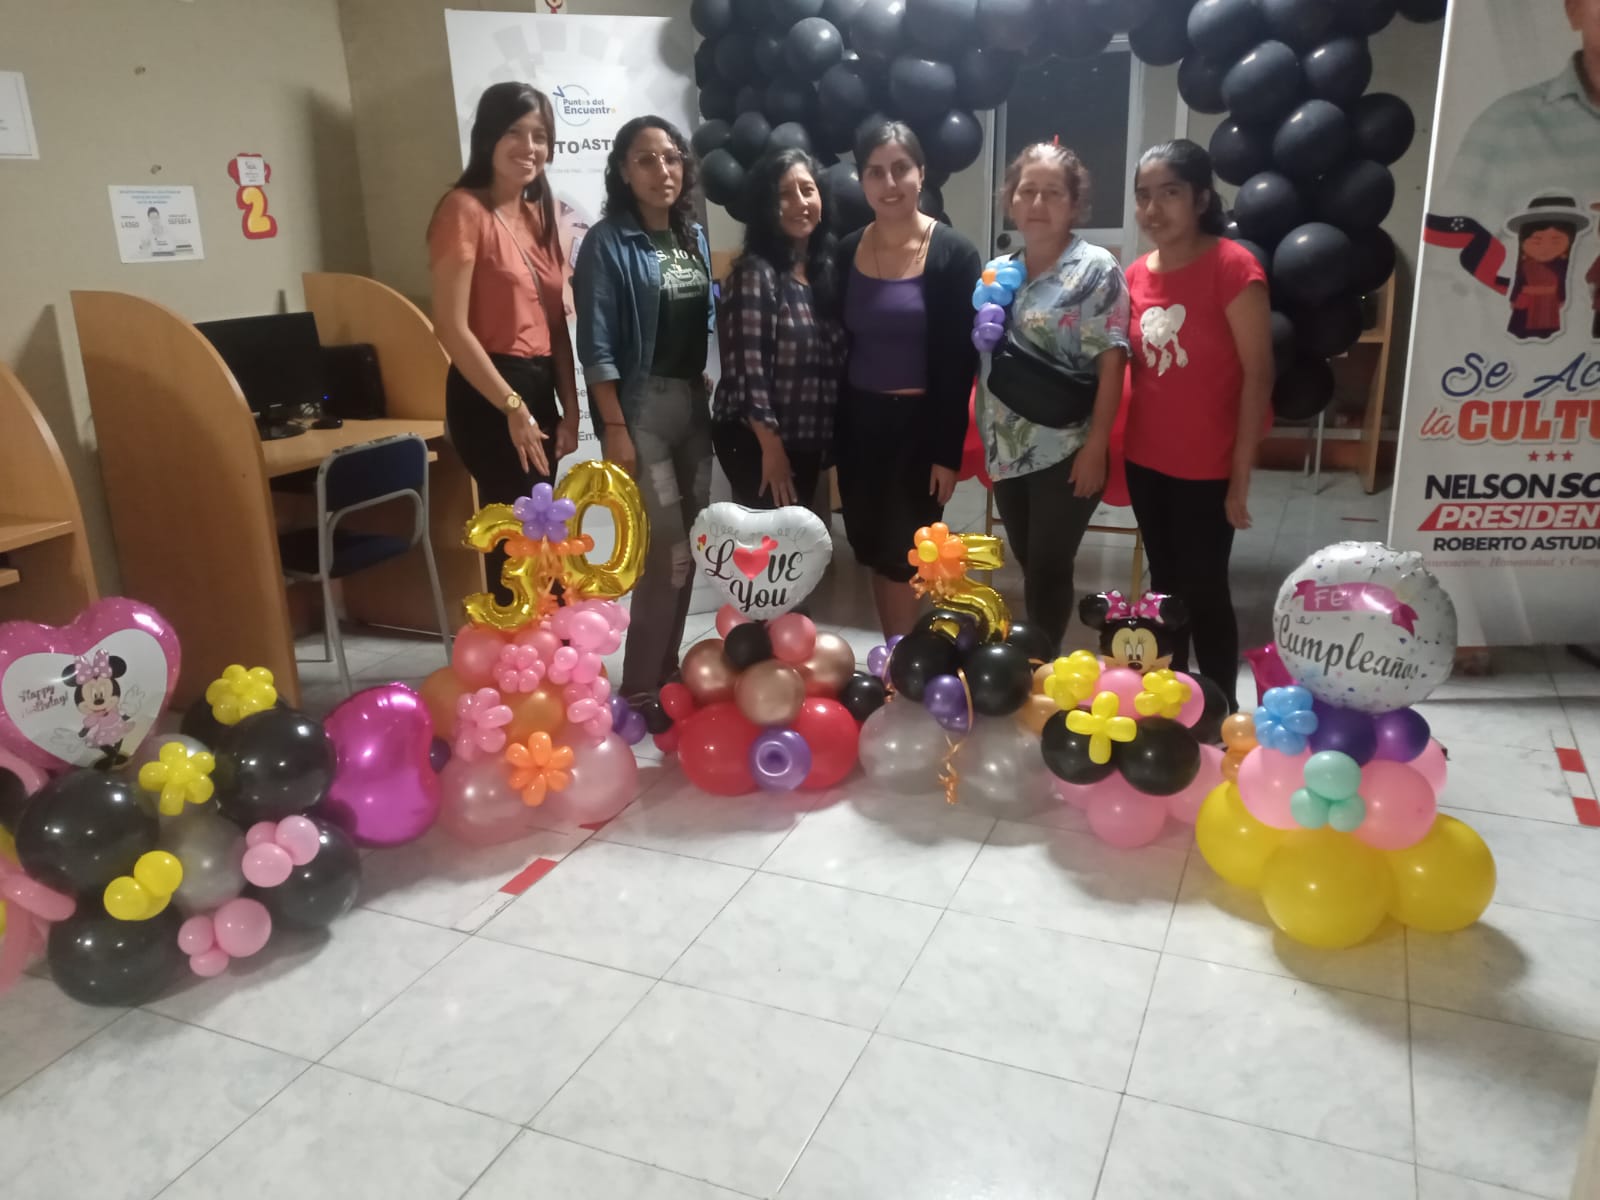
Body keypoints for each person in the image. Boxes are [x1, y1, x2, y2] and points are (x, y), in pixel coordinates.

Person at [1123, 140, 1273, 711]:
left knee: (1206, 589)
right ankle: (1172, 703)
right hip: (1146, 459)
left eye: (1170, 193)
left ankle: (1219, 710)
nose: (1153, 209)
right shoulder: (1135, 275)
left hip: (1208, 466)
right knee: (1165, 587)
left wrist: (1240, 476)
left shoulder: (1233, 267)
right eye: (1144, 196)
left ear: (1202, 199)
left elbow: (1258, 374)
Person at [575, 115, 714, 699]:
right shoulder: (607, 242)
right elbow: (596, 344)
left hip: (693, 406)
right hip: (641, 411)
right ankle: (638, 688)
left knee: (693, 547)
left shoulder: (692, 237)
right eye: (646, 160)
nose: (662, 170)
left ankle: (666, 672)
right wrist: (614, 426)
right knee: (666, 553)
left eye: (671, 158)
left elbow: (698, 318)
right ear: (623, 172)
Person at [428, 82, 580, 603]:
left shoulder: (542, 214)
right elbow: (450, 327)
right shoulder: (463, 209)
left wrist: (570, 409)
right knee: (516, 536)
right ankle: (518, 642)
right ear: (488, 137)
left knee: (544, 531)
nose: (529, 147)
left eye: (540, 135)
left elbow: (556, 323)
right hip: (489, 389)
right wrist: (512, 406)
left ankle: (552, 640)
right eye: (515, 132)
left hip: (539, 385)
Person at [977, 143, 1129, 654]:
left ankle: (1040, 665)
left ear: (1074, 203)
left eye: (1053, 193)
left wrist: (1096, 447)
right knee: (1027, 559)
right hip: (1007, 448)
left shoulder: (1096, 269)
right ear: (1010, 200)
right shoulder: (998, 270)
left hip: (1067, 446)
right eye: (1027, 191)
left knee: (1049, 565)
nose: (1038, 203)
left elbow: (1112, 361)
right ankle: (1035, 661)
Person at [835, 121, 982, 638]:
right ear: (861, 180)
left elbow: (959, 361)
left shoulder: (954, 254)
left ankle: (901, 662)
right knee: (873, 549)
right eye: (875, 172)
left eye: (901, 168)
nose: (889, 183)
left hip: (920, 431)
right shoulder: (845, 250)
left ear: (921, 173)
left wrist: (947, 451)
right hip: (860, 426)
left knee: (907, 553)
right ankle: (894, 655)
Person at [713, 148, 845, 510]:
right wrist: (771, 451)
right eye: (784, 194)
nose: (799, 202)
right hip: (757, 443)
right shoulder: (756, 273)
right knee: (776, 544)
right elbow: (749, 371)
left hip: (805, 441)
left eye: (807, 190)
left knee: (805, 540)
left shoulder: (822, 274)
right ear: (765, 206)